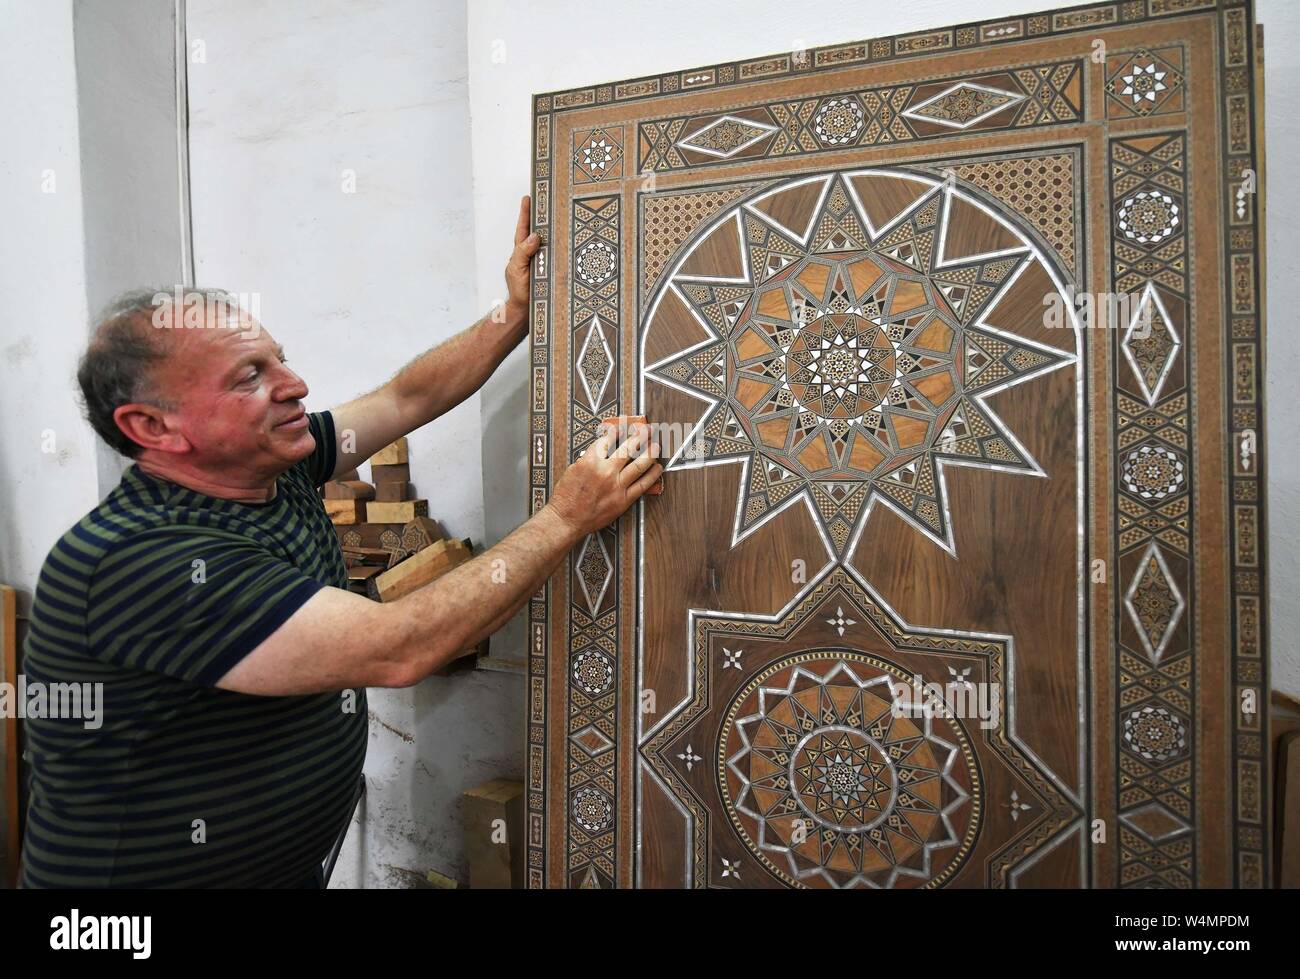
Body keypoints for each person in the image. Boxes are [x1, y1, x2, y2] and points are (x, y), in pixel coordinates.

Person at [19, 196, 662, 888]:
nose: (294, 385)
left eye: (279, 360)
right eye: (250, 377)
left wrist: (515, 312)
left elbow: (406, 399)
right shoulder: (141, 559)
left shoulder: (276, 463)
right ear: (153, 427)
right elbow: (396, 647)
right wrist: (567, 516)